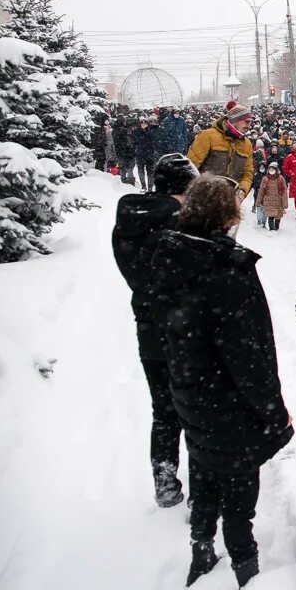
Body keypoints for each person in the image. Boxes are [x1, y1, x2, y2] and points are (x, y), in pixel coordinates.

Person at [152, 174, 293, 587]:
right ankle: (246, 568)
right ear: (225, 213)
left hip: (189, 390)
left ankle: (201, 548)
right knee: (238, 491)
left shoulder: (171, 255)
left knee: (203, 469)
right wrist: (272, 408)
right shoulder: (226, 269)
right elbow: (248, 351)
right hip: (227, 399)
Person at [111, 152, 198, 508]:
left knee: (164, 410)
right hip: (188, 328)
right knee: (196, 409)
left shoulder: (128, 222)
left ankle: (165, 482)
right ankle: (203, 490)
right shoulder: (183, 223)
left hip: (149, 327)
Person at [186, 103, 255, 198]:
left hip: (229, 202)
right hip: (203, 200)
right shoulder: (208, 136)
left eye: (250, 123)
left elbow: (248, 173)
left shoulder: (247, 144)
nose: (249, 126)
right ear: (235, 120)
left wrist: (242, 191)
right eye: (246, 122)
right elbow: (190, 168)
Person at [255, 162, 288, 231]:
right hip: (268, 201)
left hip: (279, 201)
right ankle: (272, 230)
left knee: (278, 216)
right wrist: (258, 202)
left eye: (273, 169)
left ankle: (276, 229)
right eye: (270, 169)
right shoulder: (265, 179)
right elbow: (261, 191)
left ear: (276, 170)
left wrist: (285, 203)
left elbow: (284, 192)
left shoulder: (281, 179)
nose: (271, 171)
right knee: (270, 216)